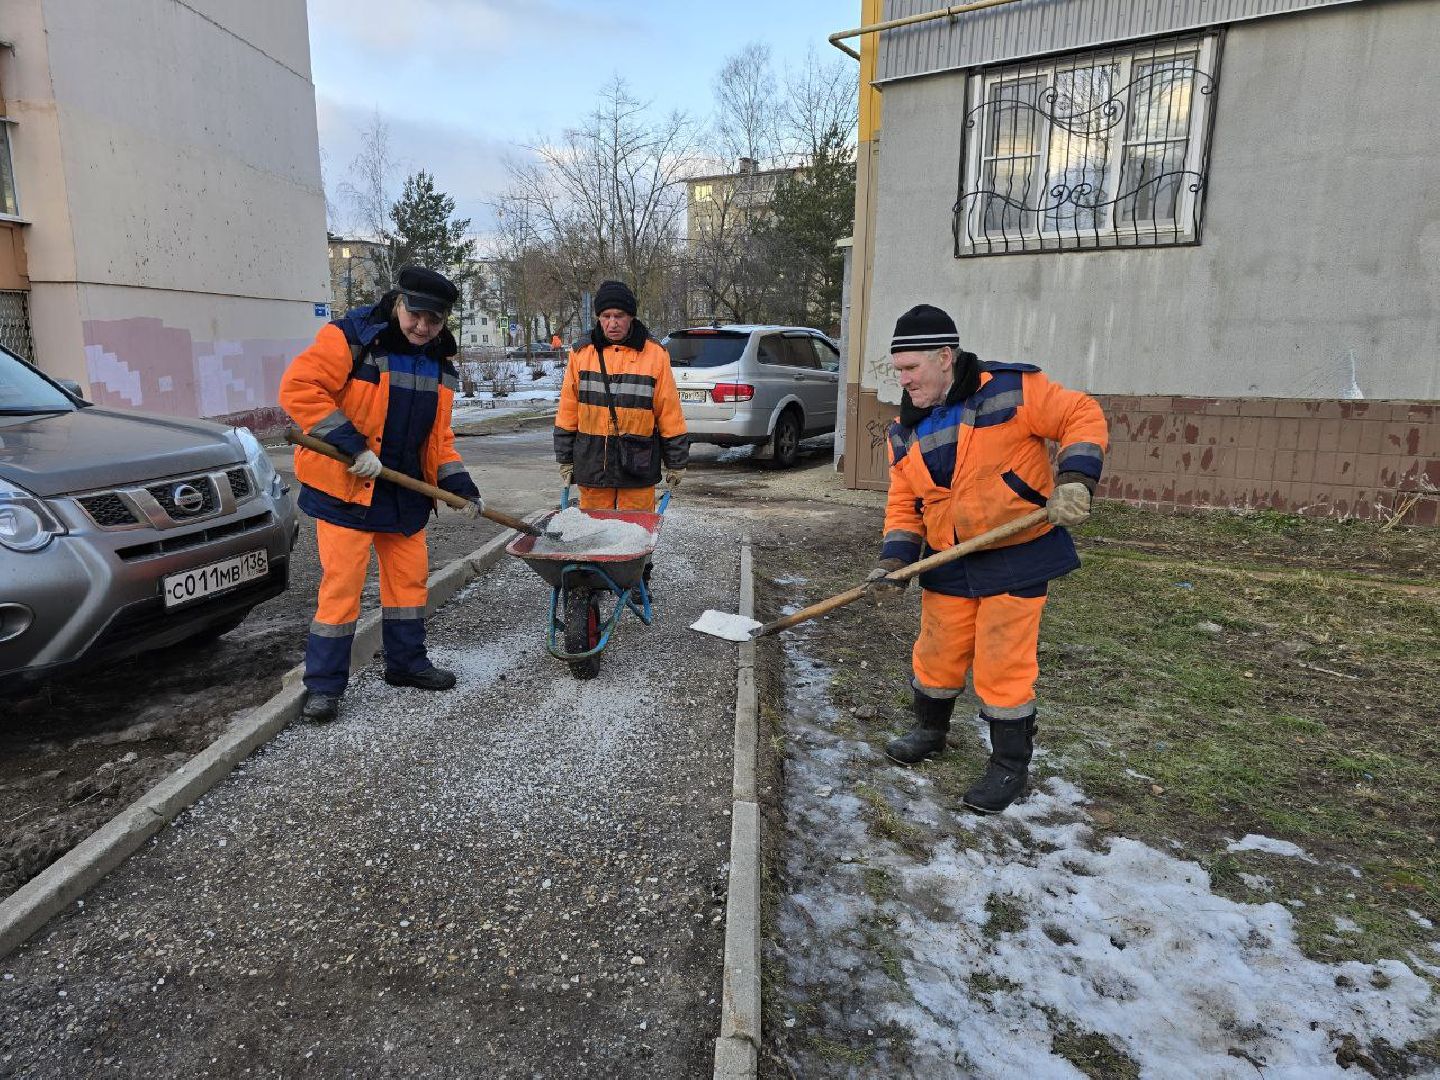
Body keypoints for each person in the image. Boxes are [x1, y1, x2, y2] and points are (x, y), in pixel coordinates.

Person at [865, 304, 1108, 814]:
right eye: (898, 370)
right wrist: (894, 561)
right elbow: (905, 505)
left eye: (911, 369)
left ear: (945, 357)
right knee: (939, 649)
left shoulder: (1013, 390)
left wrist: (1077, 479)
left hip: (1017, 554)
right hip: (948, 557)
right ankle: (930, 730)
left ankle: (1009, 766)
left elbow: (1079, 414)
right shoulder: (904, 430)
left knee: (1003, 660)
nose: (902, 380)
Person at [280, 266, 484, 723]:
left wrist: (459, 485)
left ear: (445, 320)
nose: (422, 326)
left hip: (404, 493)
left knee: (409, 584)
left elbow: (438, 439)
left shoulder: (438, 363)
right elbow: (300, 389)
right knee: (342, 589)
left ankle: (406, 664)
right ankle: (325, 687)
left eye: (434, 320)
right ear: (399, 302)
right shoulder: (351, 337)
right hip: (347, 489)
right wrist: (351, 445)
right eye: (415, 314)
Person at [554, 280, 688, 511]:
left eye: (619, 316)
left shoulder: (655, 354)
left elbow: (669, 411)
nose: (612, 323)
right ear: (598, 317)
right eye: (606, 316)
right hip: (593, 461)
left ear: (632, 317)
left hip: (637, 463)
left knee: (636, 531)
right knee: (594, 531)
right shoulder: (581, 353)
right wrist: (565, 458)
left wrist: (676, 462)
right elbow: (568, 409)